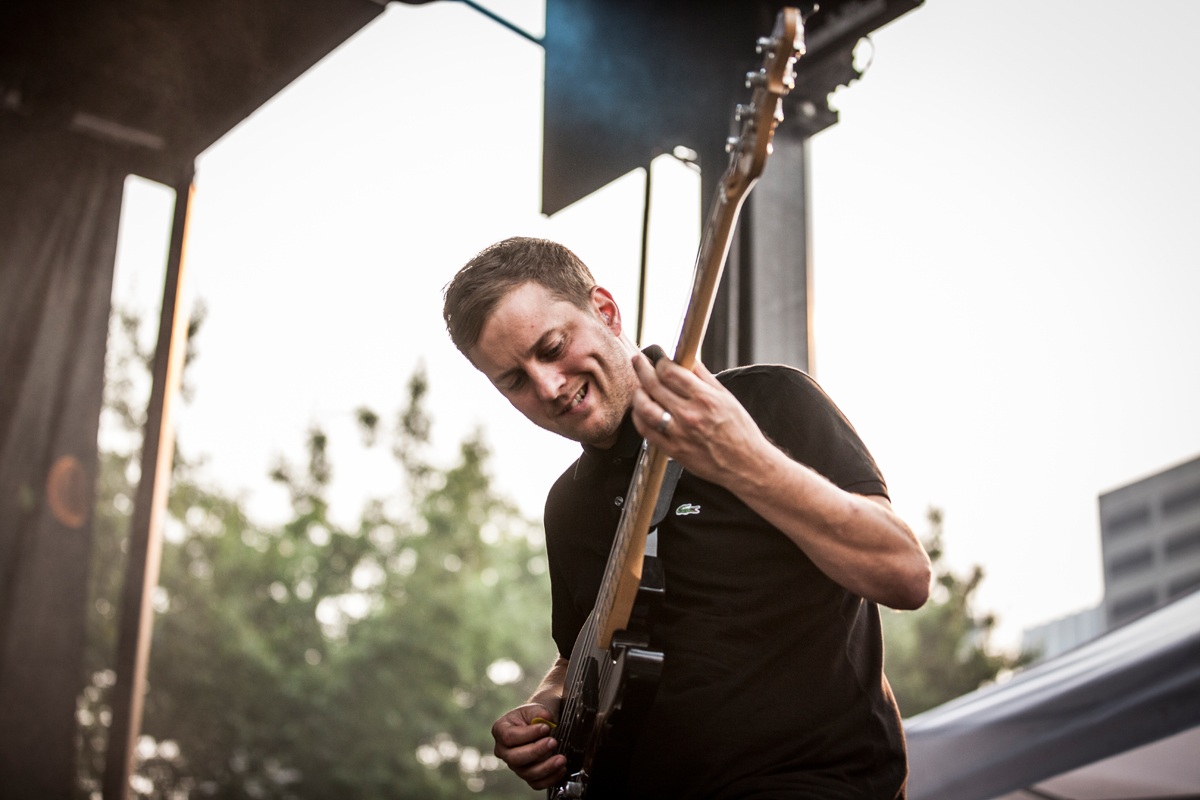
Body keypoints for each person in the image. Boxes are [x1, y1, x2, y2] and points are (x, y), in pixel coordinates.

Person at [442, 237, 931, 799]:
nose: (547, 387)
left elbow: (905, 574)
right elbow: (581, 650)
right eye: (515, 381)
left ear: (604, 310)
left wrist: (746, 460)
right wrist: (544, 710)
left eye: (551, 348)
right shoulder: (568, 505)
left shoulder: (767, 402)